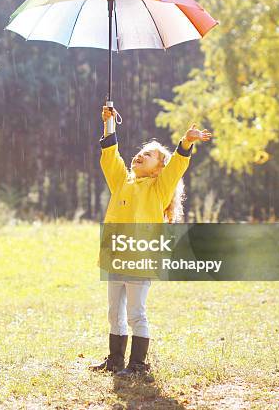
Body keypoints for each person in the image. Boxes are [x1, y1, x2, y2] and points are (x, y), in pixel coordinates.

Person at [90, 106, 211, 379]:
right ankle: (115, 360)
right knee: (114, 312)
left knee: (136, 313)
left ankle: (138, 364)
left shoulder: (159, 188)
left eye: (149, 155)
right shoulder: (122, 182)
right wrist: (109, 126)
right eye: (140, 152)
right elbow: (110, 158)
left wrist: (186, 142)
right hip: (116, 256)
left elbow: (178, 165)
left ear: (159, 169)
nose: (140, 155)